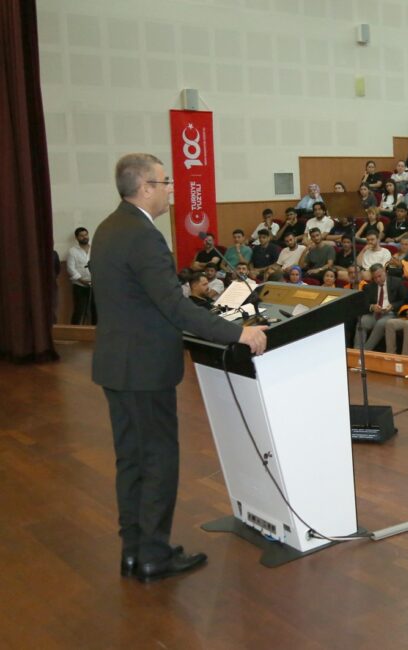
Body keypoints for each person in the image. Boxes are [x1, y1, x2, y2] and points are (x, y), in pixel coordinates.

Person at [91, 154, 267, 583]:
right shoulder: (144, 236)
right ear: (145, 188)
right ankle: (154, 555)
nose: (171, 188)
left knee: (131, 461)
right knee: (158, 461)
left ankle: (132, 551)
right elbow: (174, 306)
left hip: (117, 365)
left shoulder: (108, 229)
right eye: (165, 182)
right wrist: (239, 334)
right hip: (145, 369)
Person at [355, 263, 408, 352]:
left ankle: (364, 352)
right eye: (375, 278)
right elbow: (364, 304)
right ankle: (356, 350)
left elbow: (405, 300)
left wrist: (393, 306)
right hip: (375, 313)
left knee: (380, 324)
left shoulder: (397, 282)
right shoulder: (369, 287)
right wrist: (372, 307)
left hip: (390, 313)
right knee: (362, 322)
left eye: (379, 276)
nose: (377, 279)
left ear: (385, 272)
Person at [67, 226, 95, 325]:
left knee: (95, 310)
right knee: (79, 310)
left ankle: (95, 333)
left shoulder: (95, 248)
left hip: (95, 285)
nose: (84, 237)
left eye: (86, 234)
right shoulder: (72, 251)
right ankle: (73, 333)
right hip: (80, 286)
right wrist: (81, 280)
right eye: (81, 236)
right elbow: (70, 268)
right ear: (77, 238)